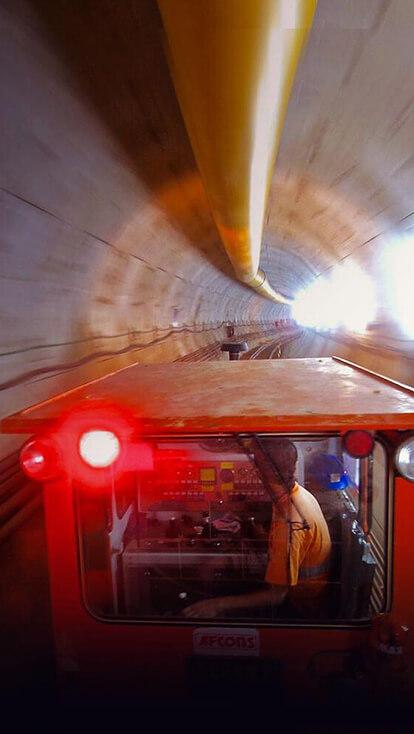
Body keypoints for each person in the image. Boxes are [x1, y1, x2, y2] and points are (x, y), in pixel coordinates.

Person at [182, 439, 332, 619]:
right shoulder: (298, 494)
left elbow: (277, 595)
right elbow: (283, 550)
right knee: (218, 567)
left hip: (299, 604)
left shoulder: (290, 522)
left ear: (261, 472)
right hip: (295, 588)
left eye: (255, 464)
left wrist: (216, 605)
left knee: (217, 593)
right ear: (293, 466)